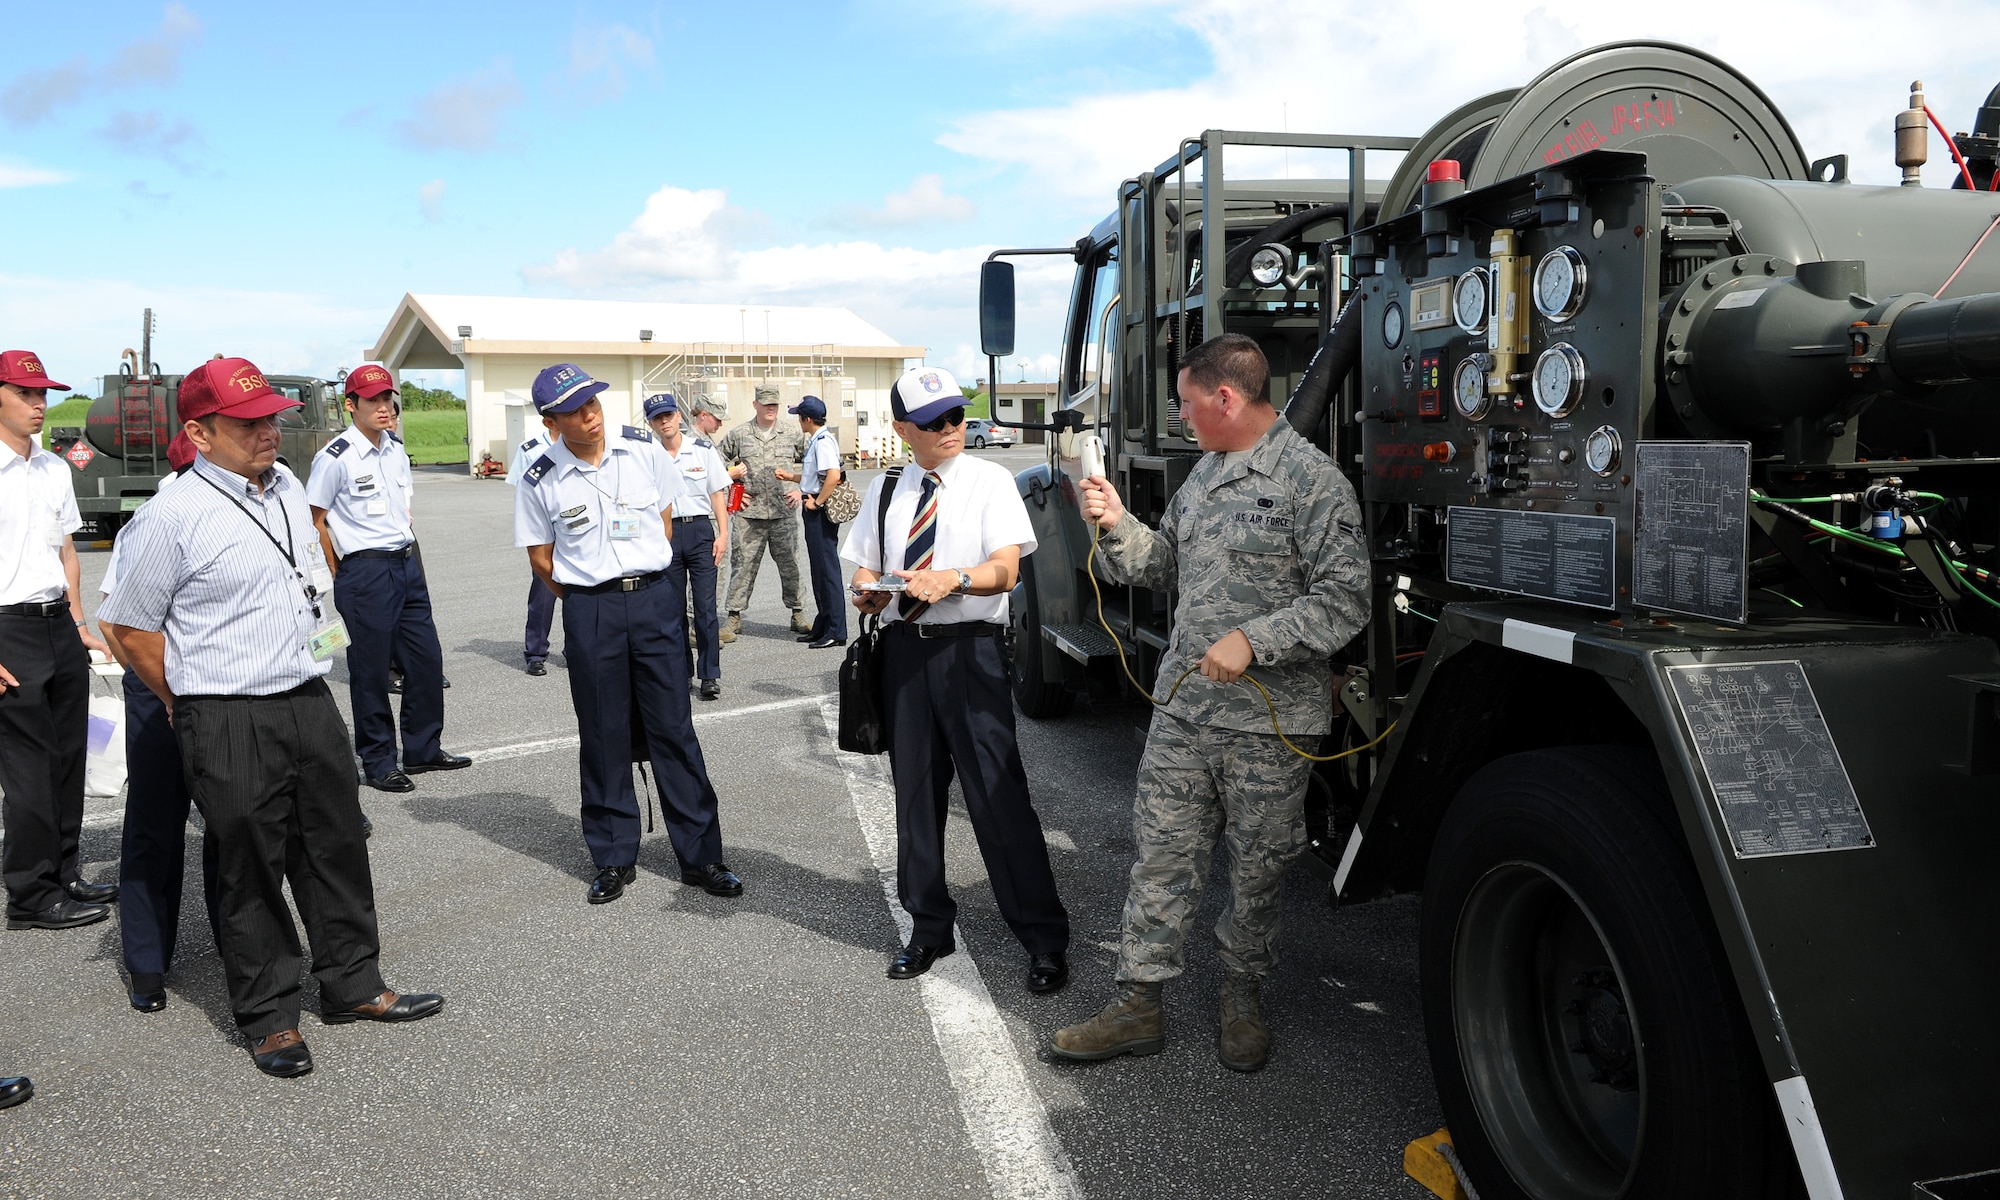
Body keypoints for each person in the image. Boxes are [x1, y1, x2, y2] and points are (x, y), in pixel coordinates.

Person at [99, 356, 444, 1079]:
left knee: (336, 844)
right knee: (250, 866)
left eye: (272, 419)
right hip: (227, 713)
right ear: (198, 430)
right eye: (249, 422)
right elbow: (128, 629)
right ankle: (270, 1018)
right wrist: (184, 696)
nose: (268, 433)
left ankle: (353, 984)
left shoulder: (286, 485)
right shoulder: (171, 516)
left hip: (307, 698)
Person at [1050, 333, 1368, 1073]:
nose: (1185, 417)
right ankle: (1137, 1004)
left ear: (1226, 398)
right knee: (1160, 861)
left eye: (1190, 404)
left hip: (1267, 727)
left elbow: (1346, 601)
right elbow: (1165, 566)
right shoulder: (1204, 477)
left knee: (1258, 869)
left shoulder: (1312, 482)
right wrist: (1116, 524)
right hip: (1185, 712)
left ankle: (1242, 997)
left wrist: (1253, 641)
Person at [843, 365, 1069, 991]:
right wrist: (867, 594)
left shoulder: (989, 481)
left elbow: (1007, 572)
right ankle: (929, 926)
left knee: (998, 797)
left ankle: (1043, 937)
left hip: (970, 650)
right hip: (905, 651)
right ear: (901, 429)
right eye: (935, 421)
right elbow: (862, 571)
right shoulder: (888, 488)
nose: (951, 428)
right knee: (915, 796)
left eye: (956, 416)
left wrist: (954, 578)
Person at [513, 363, 742, 906]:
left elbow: (664, 520)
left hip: (655, 602)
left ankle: (702, 855)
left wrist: (641, 585)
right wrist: (595, 598)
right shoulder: (539, 477)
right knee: (602, 732)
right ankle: (614, 855)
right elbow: (542, 559)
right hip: (591, 608)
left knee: (674, 728)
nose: (590, 416)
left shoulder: (641, 449)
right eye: (575, 410)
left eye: (593, 403)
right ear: (551, 419)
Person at [307, 364, 471, 793]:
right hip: (365, 570)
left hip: (405, 560)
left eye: (387, 399)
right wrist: (337, 566)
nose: (383, 407)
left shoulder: (394, 450)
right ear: (350, 405)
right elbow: (315, 519)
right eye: (373, 400)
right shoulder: (335, 458)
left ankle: (422, 749)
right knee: (372, 670)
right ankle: (379, 760)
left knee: (425, 661)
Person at [98, 431, 219, 1013]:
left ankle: (238, 938)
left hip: (224, 687)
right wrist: (162, 691)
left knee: (232, 820)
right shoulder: (155, 519)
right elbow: (115, 624)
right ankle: (147, 962)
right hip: (158, 688)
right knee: (154, 823)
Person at [0, 348, 117, 933]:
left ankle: (65, 873)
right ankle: (29, 894)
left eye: (42, 393)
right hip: (7, 628)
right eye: (25, 393)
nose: (39, 404)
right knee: (28, 769)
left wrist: (77, 621)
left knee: (70, 757)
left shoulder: (50, 468)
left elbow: (66, 548)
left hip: (55, 625)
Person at [643, 393, 730, 701]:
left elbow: (717, 493)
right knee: (673, 609)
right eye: (657, 418)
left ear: (679, 416)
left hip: (700, 532)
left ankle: (709, 675)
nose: (664, 421)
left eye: (668, 415)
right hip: (666, 534)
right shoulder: (648, 455)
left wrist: (723, 534)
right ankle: (681, 672)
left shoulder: (702, 450)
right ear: (651, 423)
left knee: (706, 608)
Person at [716, 387, 810, 640]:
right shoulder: (739, 434)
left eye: (775, 405)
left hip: (783, 513)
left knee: (791, 566)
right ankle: (734, 616)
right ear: (755, 404)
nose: (771, 408)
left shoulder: (792, 433)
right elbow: (713, 462)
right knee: (742, 566)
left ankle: (797, 613)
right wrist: (732, 490)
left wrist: (801, 489)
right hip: (749, 515)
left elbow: (816, 463)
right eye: (766, 404)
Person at [777, 395, 846, 649]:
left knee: (827, 571)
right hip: (813, 504)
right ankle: (825, 624)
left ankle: (836, 629)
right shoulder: (816, 440)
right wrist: (792, 476)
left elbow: (833, 476)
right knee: (819, 570)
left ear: (807, 419)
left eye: (799, 417)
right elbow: (813, 477)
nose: (798, 421)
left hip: (818, 508)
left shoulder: (824, 441)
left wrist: (816, 503)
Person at [508, 424, 563, 676]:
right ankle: (536, 653)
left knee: (582, 592)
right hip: (544, 529)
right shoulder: (530, 449)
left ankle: (576, 648)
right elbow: (521, 491)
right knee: (542, 594)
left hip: (575, 527)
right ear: (549, 421)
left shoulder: (581, 443)